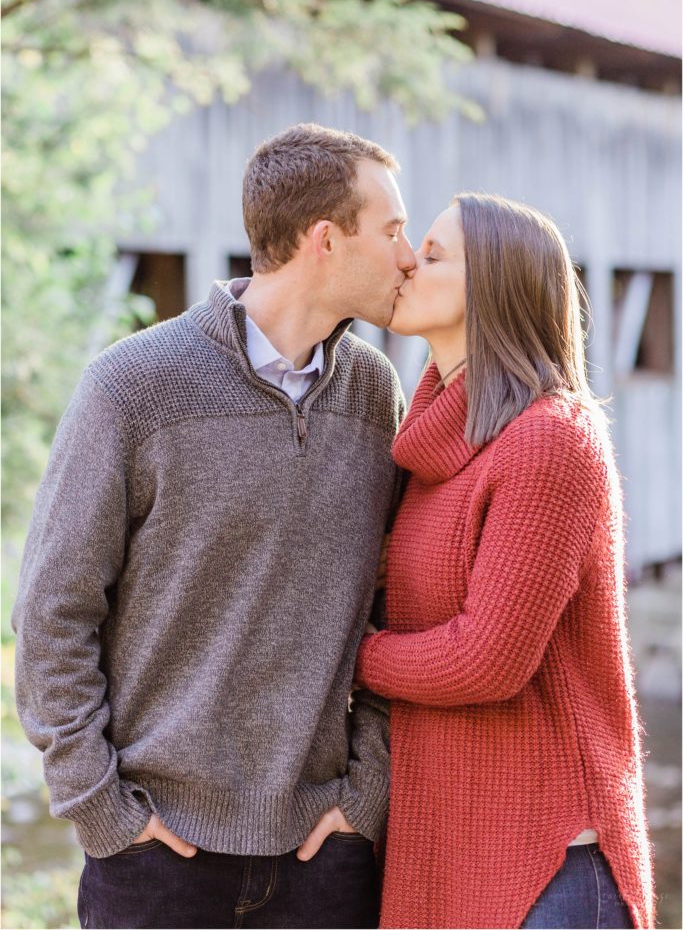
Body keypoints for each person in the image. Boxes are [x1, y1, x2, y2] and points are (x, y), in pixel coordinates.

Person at [11, 123, 416, 930]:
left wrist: (366, 795)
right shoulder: (133, 387)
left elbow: (392, 611)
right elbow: (52, 612)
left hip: (322, 861)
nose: (408, 256)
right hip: (154, 864)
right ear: (325, 240)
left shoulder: (373, 395)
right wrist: (104, 812)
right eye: (394, 231)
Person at [354, 193, 655, 930]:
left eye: (432, 255)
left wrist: (346, 657)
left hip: (546, 861)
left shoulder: (551, 438)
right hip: (451, 846)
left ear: (491, 283)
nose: (405, 264)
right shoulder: (428, 451)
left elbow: (485, 660)